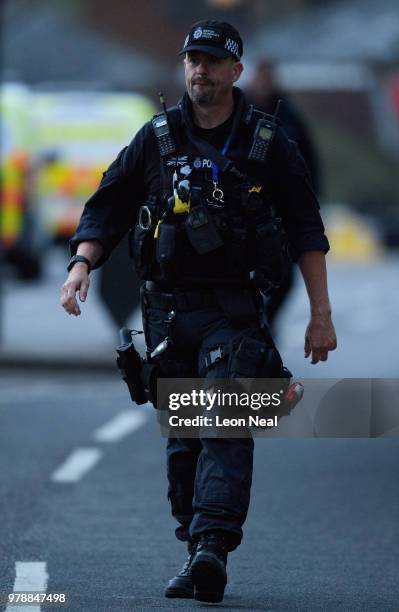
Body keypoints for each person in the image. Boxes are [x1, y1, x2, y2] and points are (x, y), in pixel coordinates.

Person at [60, 20, 337, 604]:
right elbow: (107, 205)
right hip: (167, 318)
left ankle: (212, 546)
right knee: (184, 445)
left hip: (234, 312)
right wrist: (81, 265)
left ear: (236, 71)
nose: (200, 70)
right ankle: (196, 545)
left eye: (212, 61)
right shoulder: (156, 138)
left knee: (224, 425)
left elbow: (307, 230)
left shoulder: (269, 143)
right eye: (192, 59)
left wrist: (320, 315)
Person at [245, 60, 322, 337]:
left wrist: (310, 203)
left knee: (285, 278)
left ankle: (266, 321)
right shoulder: (240, 110)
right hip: (245, 209)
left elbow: (308, 161)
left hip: (281, 210)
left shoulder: (288, 115)